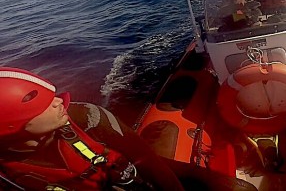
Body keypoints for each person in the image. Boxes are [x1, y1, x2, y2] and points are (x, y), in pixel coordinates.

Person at [0, 67, 185, 191]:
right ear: (12, 126)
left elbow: (151, 162)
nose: (59, 101)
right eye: (43, 105)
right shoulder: (6, 176)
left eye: (53, 96)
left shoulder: (87, 118)